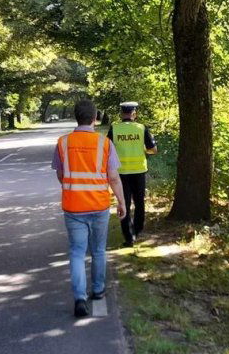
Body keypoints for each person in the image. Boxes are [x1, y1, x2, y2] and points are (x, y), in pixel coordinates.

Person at [52, 99, 127, 318]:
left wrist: (73, 188)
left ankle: (79, 299)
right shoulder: (105, 143)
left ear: (76, 117)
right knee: (98, 250)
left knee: (76, 252)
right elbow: (113, 177)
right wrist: (121, 202)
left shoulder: (63, 142)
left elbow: (60, 174)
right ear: (95, 118)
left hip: (74, 207)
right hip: (99, 205)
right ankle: (98, 290)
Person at [107, 101, 157, 247]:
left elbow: (108, 149)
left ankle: (129, 237)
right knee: (139, 202)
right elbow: (153, 149)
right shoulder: (141, 128)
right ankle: (138, 229)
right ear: (134, 114)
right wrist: (143, 150)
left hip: (121, 172)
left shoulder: (114, 129)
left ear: (122, 114)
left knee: (124, 203)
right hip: (139, 171)